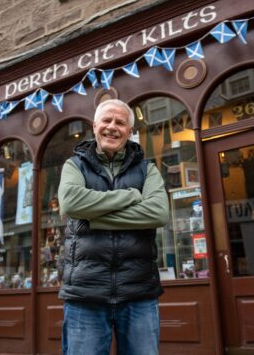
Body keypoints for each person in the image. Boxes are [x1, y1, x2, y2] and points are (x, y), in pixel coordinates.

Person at [58, 99, 170, 355]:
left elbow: (158, 212)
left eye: (120, 122)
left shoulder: (147, 169)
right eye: (106, 120)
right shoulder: (74, 165)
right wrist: (130, 195)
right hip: (85, 293)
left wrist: (94, 217)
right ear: (94, 125)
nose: (112, 127)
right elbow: (71, 203)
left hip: (138, 292)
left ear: (130, 132)